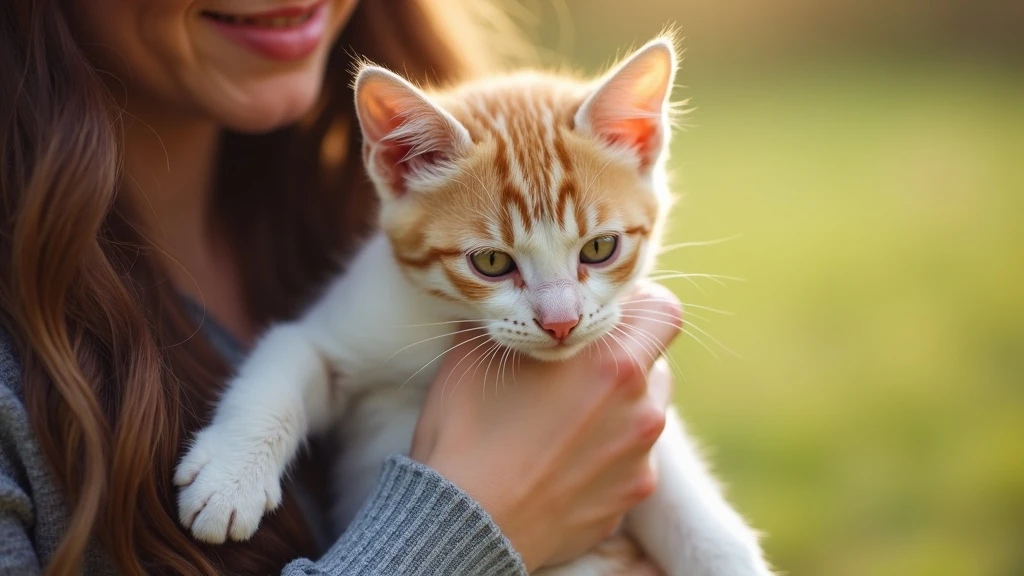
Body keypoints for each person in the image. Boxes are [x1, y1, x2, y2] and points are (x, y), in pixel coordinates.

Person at [0, 0, 683, 574]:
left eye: (597, 250)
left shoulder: (351, 213)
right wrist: (466, 527)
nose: (560, 317)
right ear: (398, 166)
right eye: (496, 264)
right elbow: (317, 357)